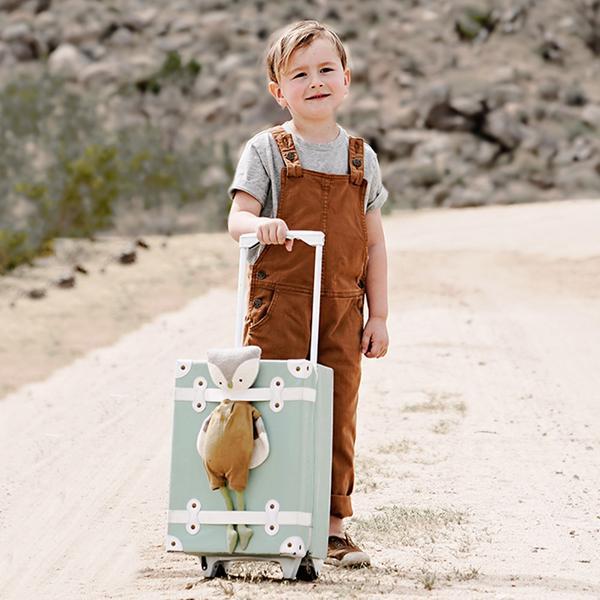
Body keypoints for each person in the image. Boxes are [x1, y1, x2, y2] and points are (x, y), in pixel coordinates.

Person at [227, 19, 389, 568]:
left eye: (325, 70)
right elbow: (235, 218)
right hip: (279, 306)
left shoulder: (361, 158)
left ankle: (334, 527)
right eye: (299, 74)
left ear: (345, 78)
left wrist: (380, 314)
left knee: (338, 410)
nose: (314, 81)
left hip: (344, 306)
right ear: (279, 91)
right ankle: (258, 517)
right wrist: (260, 226)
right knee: (269, 407)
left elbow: (374, 241)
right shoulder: (267, 149)